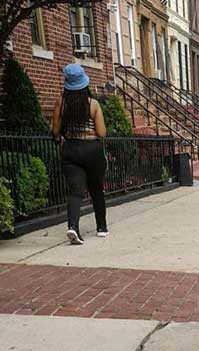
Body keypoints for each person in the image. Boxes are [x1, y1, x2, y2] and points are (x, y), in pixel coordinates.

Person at [52, 64, 108, 245]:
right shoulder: (93, 104)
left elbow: (55, 130)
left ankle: (73, 227)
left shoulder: (61, 102)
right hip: (91, 149)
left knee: (75, 191)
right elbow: (101, 132)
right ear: (84, 83)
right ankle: (101, 227)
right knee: (96, 189)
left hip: (70, 149)